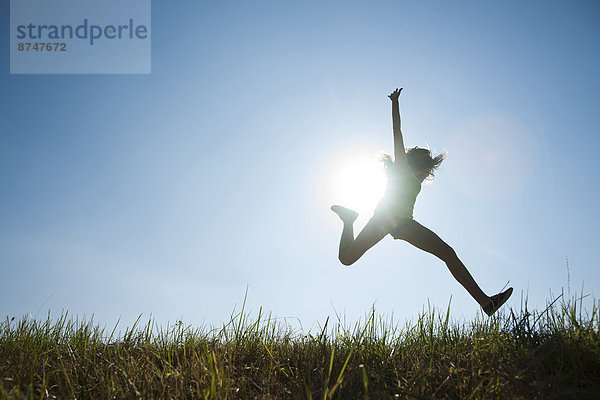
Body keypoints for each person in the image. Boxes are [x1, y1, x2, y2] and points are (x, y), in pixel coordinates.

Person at [330, 88, 512, 316]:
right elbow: (397, 131)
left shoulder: (412, 178)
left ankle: (487, 303)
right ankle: (349, 220)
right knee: (347, 259)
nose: (428, 174)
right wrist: (394, 104)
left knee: (446, 253)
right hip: (393, 222)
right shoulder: (402, 168)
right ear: (417, 165)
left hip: (395, 223)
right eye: (427, 169)